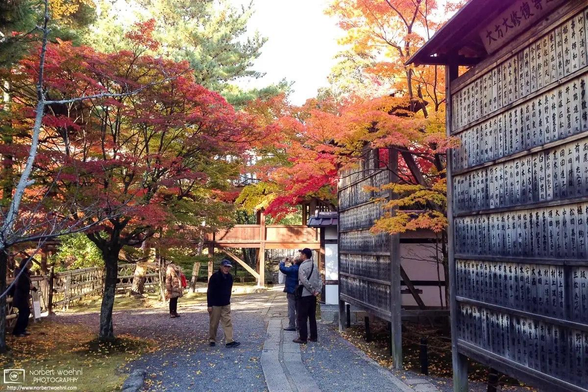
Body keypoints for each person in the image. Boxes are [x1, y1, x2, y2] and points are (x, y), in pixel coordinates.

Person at [207, 259, 240, 348]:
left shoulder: (230, 277)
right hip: (215, 303)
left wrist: (228, 301)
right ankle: (212, 339)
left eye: (228, 267)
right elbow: (210, 291)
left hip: (225, 303)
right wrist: (209, 305)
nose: (227, 268)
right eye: (225, 266)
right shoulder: (215, 277)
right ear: (221, 267)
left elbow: (229, 290)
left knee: (227, 322)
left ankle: (229, 340)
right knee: (214, 323)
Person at [293, 248, 322, 344]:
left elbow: (304, 281)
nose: (300, 256)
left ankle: (303, 337)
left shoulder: (302, 266)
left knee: (302, 317)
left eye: (301, 254)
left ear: (304, 255)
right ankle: (313, 336)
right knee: (312, 316)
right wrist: (318, 290)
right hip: (313, 296)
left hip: (305, 294)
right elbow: (319, 279)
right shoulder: (315, 265)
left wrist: (312, 290)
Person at [12, 258, 36, 337]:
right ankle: (18, 330)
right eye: (29, 264)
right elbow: (19, 285)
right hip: (20, 296)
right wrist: (29, 287)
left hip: (23, 296)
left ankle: (21, 329)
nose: (30, 266)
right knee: (24, 312)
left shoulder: (25, 273)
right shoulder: (20, 272)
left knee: (25, 312)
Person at [279, 256, 300, 331]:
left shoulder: (292, 269)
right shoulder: (300, 268)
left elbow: (282, 268)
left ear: (295, 261)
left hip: (291, 290)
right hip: (299, 291)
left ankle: (292, 325)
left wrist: (283, 262)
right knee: (298, 309)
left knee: (291, 308)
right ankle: (299, 324)